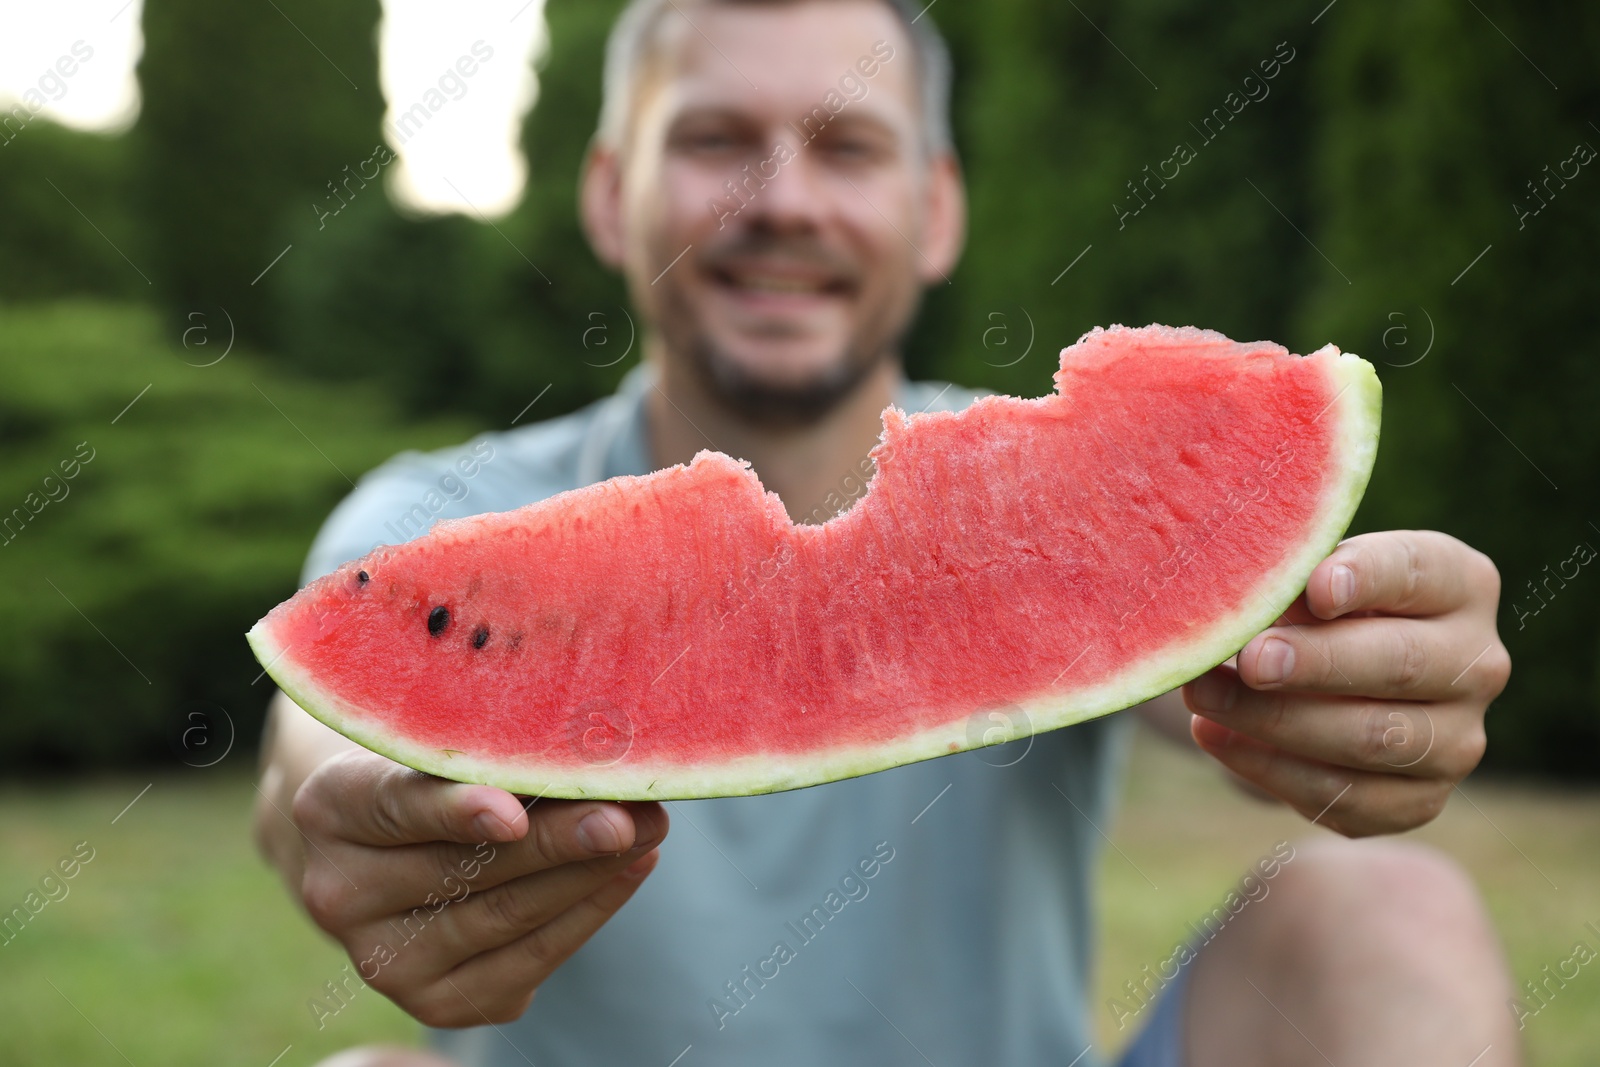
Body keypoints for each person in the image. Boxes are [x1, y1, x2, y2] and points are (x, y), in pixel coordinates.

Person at [255, 1, 1519, 1064]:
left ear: (939, 209)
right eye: (712, 139)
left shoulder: (1045, 494)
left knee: (1388, 910)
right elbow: (309, 755)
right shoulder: (441, 517)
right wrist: (349, 821)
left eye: (847, 148)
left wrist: (1355, 679)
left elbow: (1234, 670)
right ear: (605, 194)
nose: (779, 199)